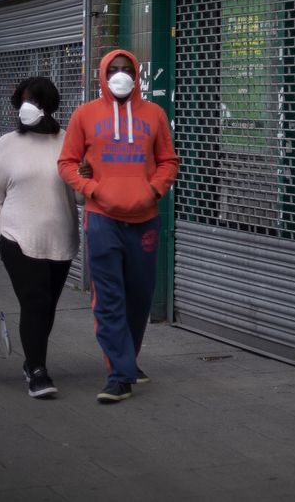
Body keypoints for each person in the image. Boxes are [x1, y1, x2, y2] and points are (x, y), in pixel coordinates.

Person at [58, 49, 179, 404]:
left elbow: (168, 161)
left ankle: (128, 360)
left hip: (145, 221)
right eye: (115, 69)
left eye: (127, 69)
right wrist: (92, 189)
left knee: (139, 298)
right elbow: (66, 162)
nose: (121, 74)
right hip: (102, 220)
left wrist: (154, 189)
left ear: (137, 73)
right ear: (103, 73)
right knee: (108, 299)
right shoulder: (85, 115)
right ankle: (119, 375)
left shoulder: (155, 114)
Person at [0, 76, 80, 399]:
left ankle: (33, 359)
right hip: (17, 238)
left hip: (61, 239)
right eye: (22, 101)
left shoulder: (69, 143)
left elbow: (81, 197)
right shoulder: (7, 144)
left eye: (33, 101)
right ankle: (37, 371)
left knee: (47, 307)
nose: (26, 107)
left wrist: (89, 179)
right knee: (34, 302)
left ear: (48, 105)